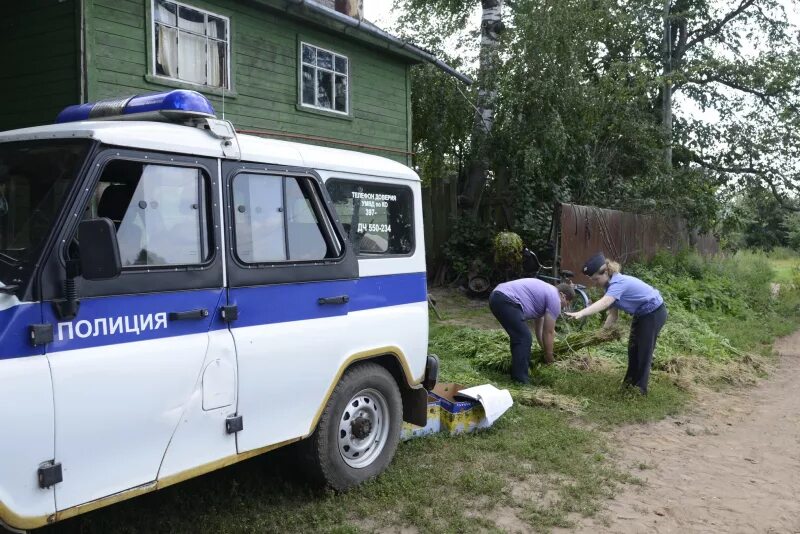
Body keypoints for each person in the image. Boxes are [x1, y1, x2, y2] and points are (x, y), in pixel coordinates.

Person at [565, 253, 667, 395]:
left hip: (654, 313)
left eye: (596, 279)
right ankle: (628, 385)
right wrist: (601, 334)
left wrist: (581, 313)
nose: (595, 282)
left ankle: (640, 390)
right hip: (641, 314)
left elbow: (605, 302)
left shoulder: (618, 283)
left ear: (606, 272)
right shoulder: (610, 287)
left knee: (644, 351)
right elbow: (613, 315)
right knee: (633, 350)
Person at [489, 278, 576, 384]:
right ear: (562, 295)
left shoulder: (545, 294)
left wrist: (544, 350)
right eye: (567, 302)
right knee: (524, 338)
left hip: (497, 297)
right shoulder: (555, 298)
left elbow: (539, 329)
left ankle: (517, 373)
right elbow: (549, 332)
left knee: (520, 337)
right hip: (506, 299)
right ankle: (520, 380)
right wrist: (549, 357)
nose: (565, 306)